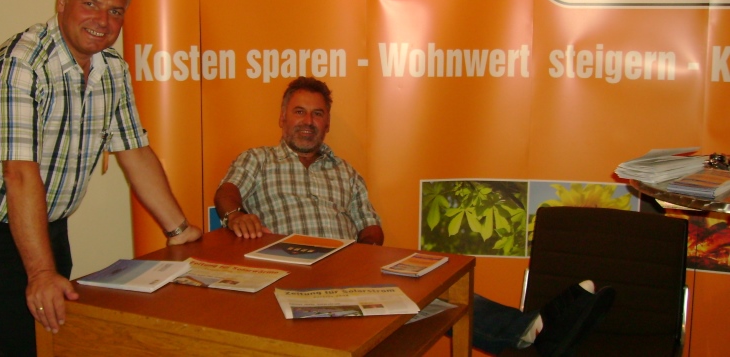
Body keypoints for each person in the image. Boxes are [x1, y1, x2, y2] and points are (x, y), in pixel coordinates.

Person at [214, 76, 614, 356]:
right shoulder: (259, 160)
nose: (307, 122)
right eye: (299, 112)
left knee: (434, 291)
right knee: (418, 302)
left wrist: (363, 251)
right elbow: (227, 192)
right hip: (290, 274)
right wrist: (235, 214)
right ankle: (538, 329)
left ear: (327, 122)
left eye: (317, 114)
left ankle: (533, 328)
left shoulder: (345, 171)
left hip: (346, 272)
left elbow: (372, 225)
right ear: (283, 118)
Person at [0, 0, 202, 357]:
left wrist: (179, 229)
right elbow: (19, 175)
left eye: (116, 11)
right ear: (62, 1)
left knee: (57, 335)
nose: (103, 21)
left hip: (44, 216)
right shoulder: (22, 65)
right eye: (90, 4)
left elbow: (134, 150)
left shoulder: (111, 67)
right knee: (29, 342)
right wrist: (42, 272)